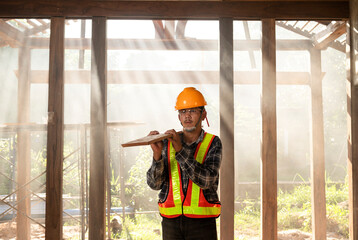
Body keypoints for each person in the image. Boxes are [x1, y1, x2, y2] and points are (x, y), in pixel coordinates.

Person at [146, 87, 222, 240]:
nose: (187, 116)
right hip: (171, 222)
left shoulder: (213, 143)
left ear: (203, 115)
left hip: (202, 223)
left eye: (193, 111)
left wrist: (180, 150)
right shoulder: (166, 144)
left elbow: (206, 180)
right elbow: (154, 184)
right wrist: (157, 155)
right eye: (183, 111)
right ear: (179, 117)